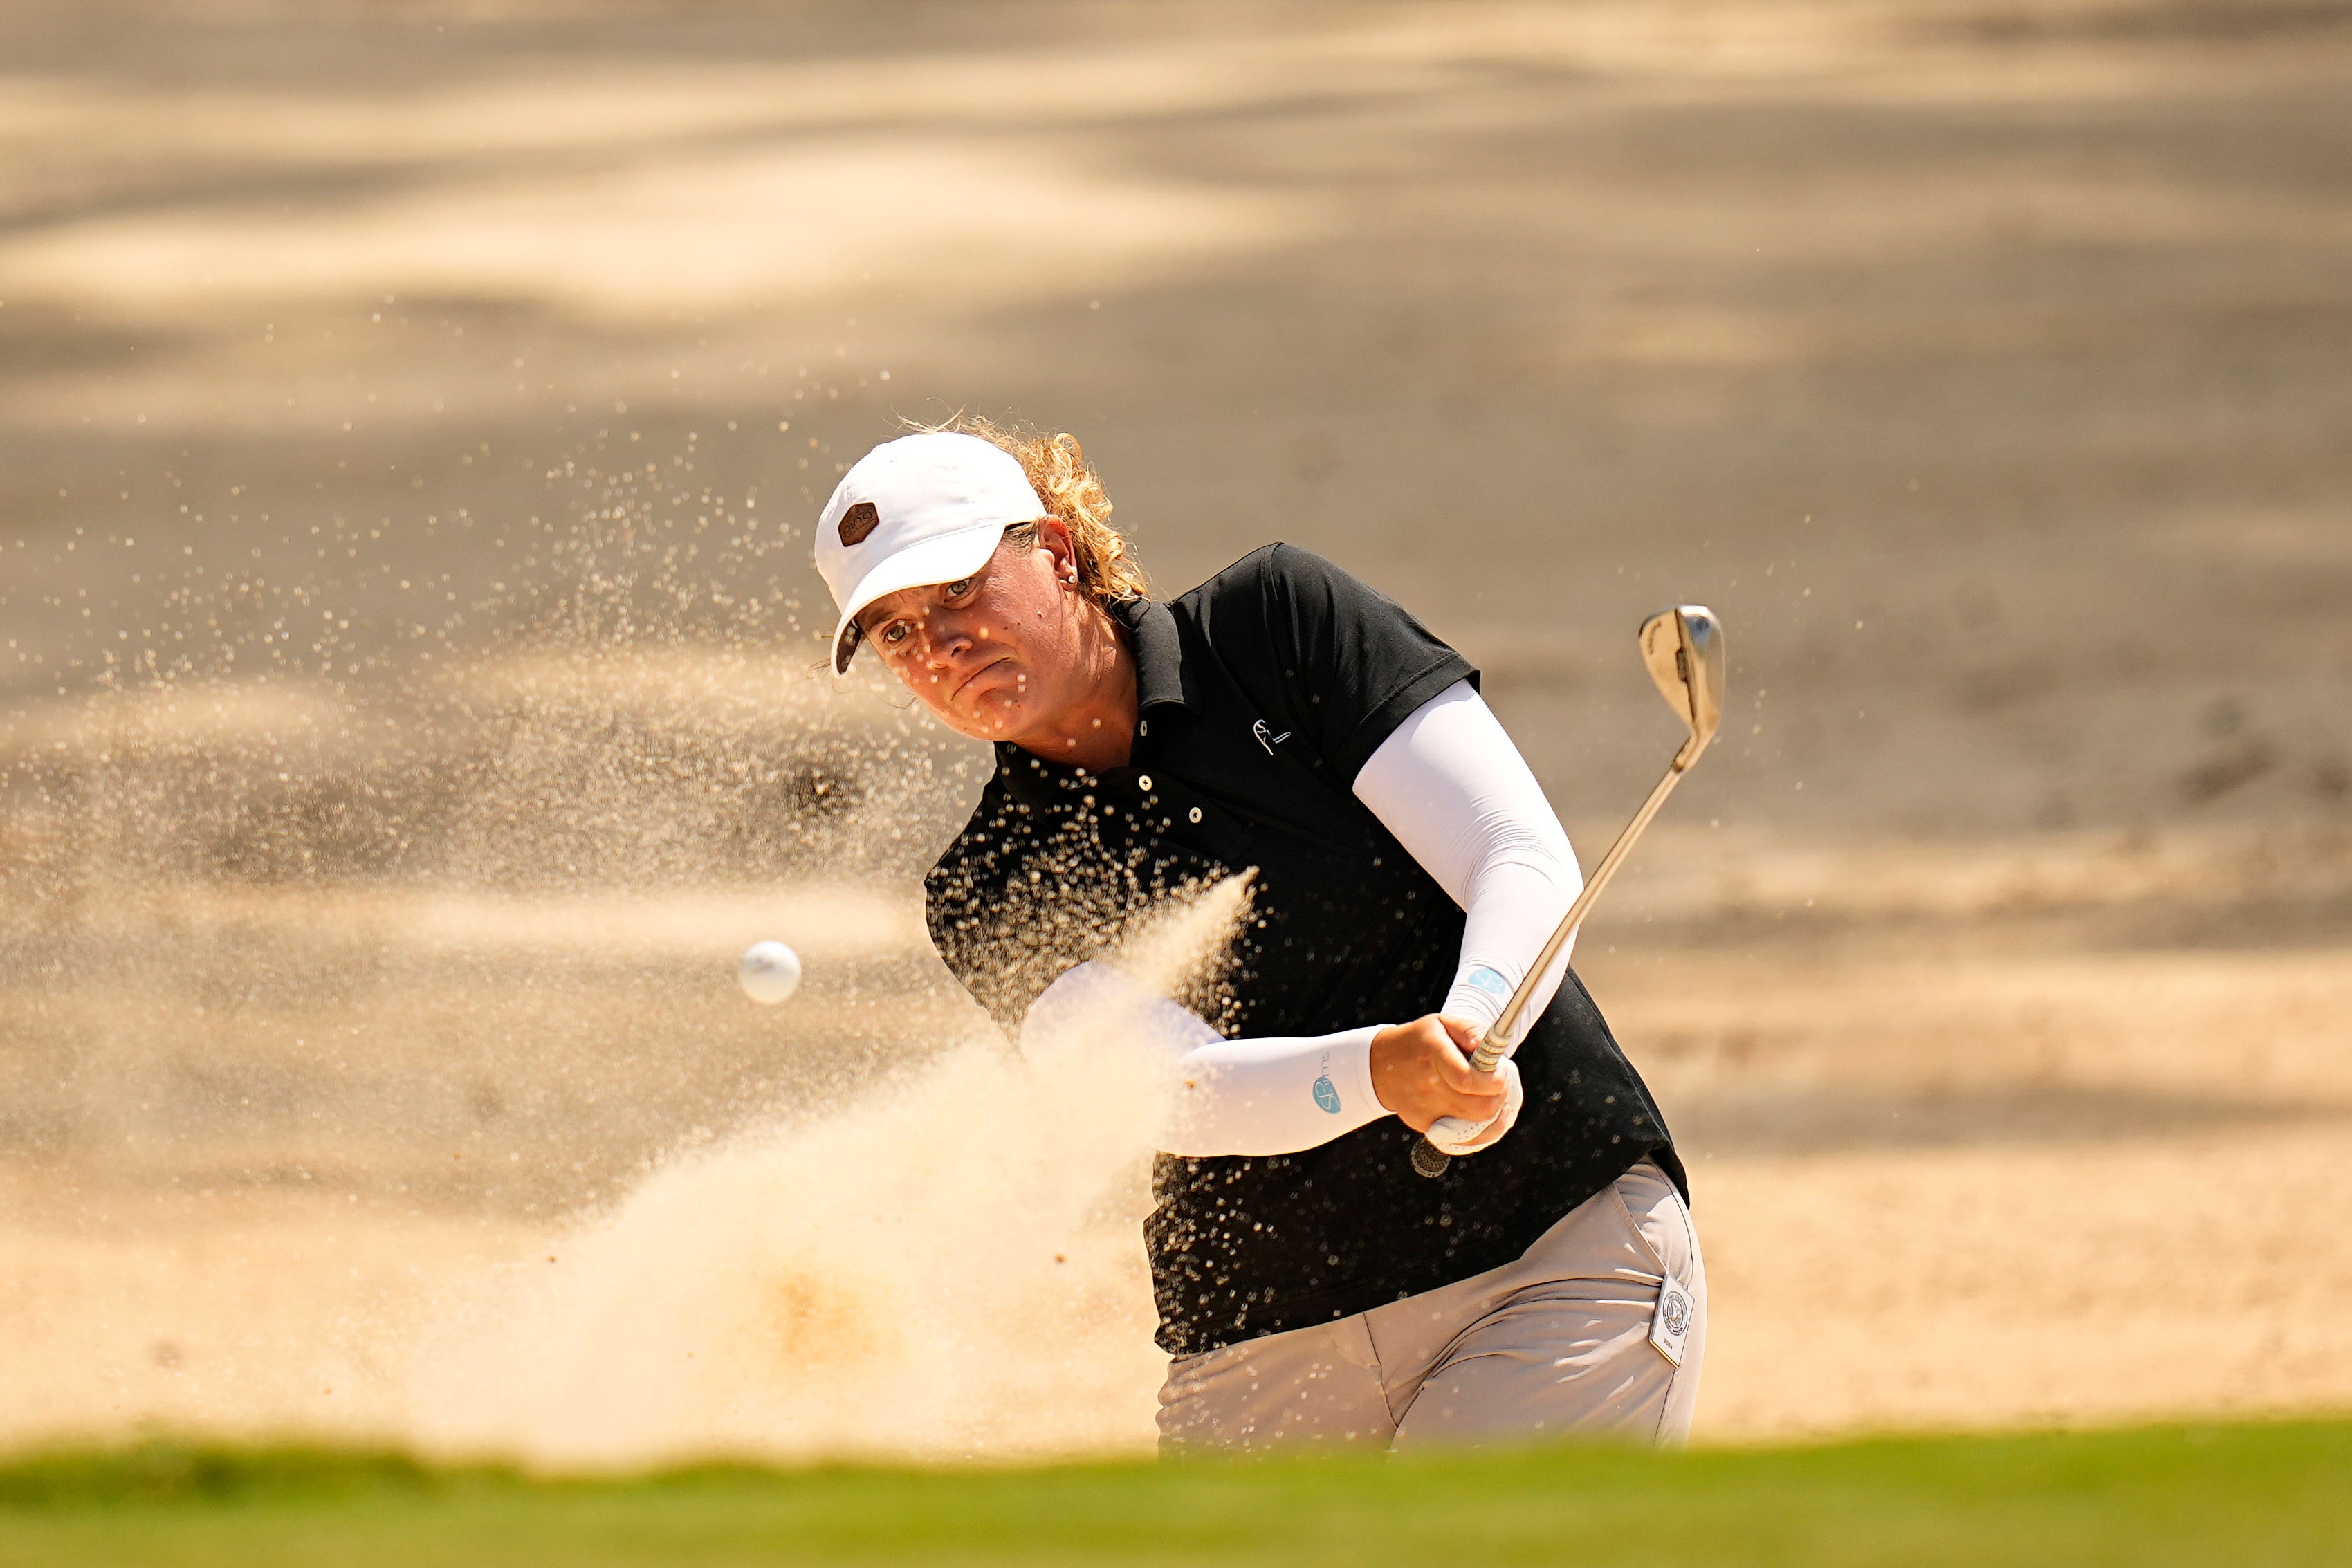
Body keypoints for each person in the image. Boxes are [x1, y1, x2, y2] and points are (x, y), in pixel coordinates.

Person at [812, 422, 1704, 1450]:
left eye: (958, 592)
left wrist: (1471, 1030)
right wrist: (1380, 1072)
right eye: (895, 633)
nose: (938, 648)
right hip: (1259, 1344)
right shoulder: (991, 884)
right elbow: (1171, 1090)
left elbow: (1511, 848)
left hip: (1542, 1255)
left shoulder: (1277, 628)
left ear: (1054, 552)